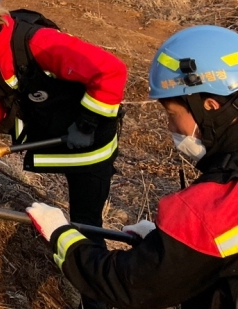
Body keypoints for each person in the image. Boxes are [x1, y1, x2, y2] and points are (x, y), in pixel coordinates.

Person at [0, 0, 126, 309]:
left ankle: (95, 303)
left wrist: (87, 123)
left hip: (89, 148)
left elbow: (111, 71)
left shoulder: (40, 42)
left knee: (86, 231)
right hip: (44, 127)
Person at [27, 25, 238, 308]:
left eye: (173, 114)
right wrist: (170, 248)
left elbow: (130, 284)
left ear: (209, 106)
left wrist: (61, 236)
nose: (171, 127)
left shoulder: (216, 206)